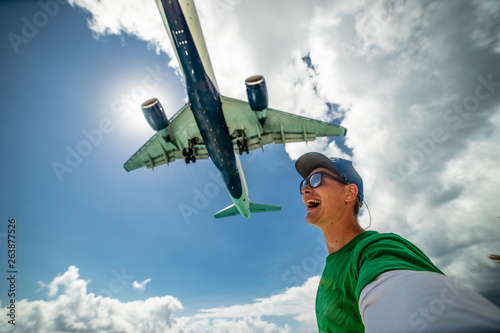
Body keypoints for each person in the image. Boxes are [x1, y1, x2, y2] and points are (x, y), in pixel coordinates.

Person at [295, 152, 500, 333]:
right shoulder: (332, 267)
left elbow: (404, 296)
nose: (305, 189)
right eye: (304, 183)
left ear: (349, 193)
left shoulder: (376, 249)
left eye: (316, 180)